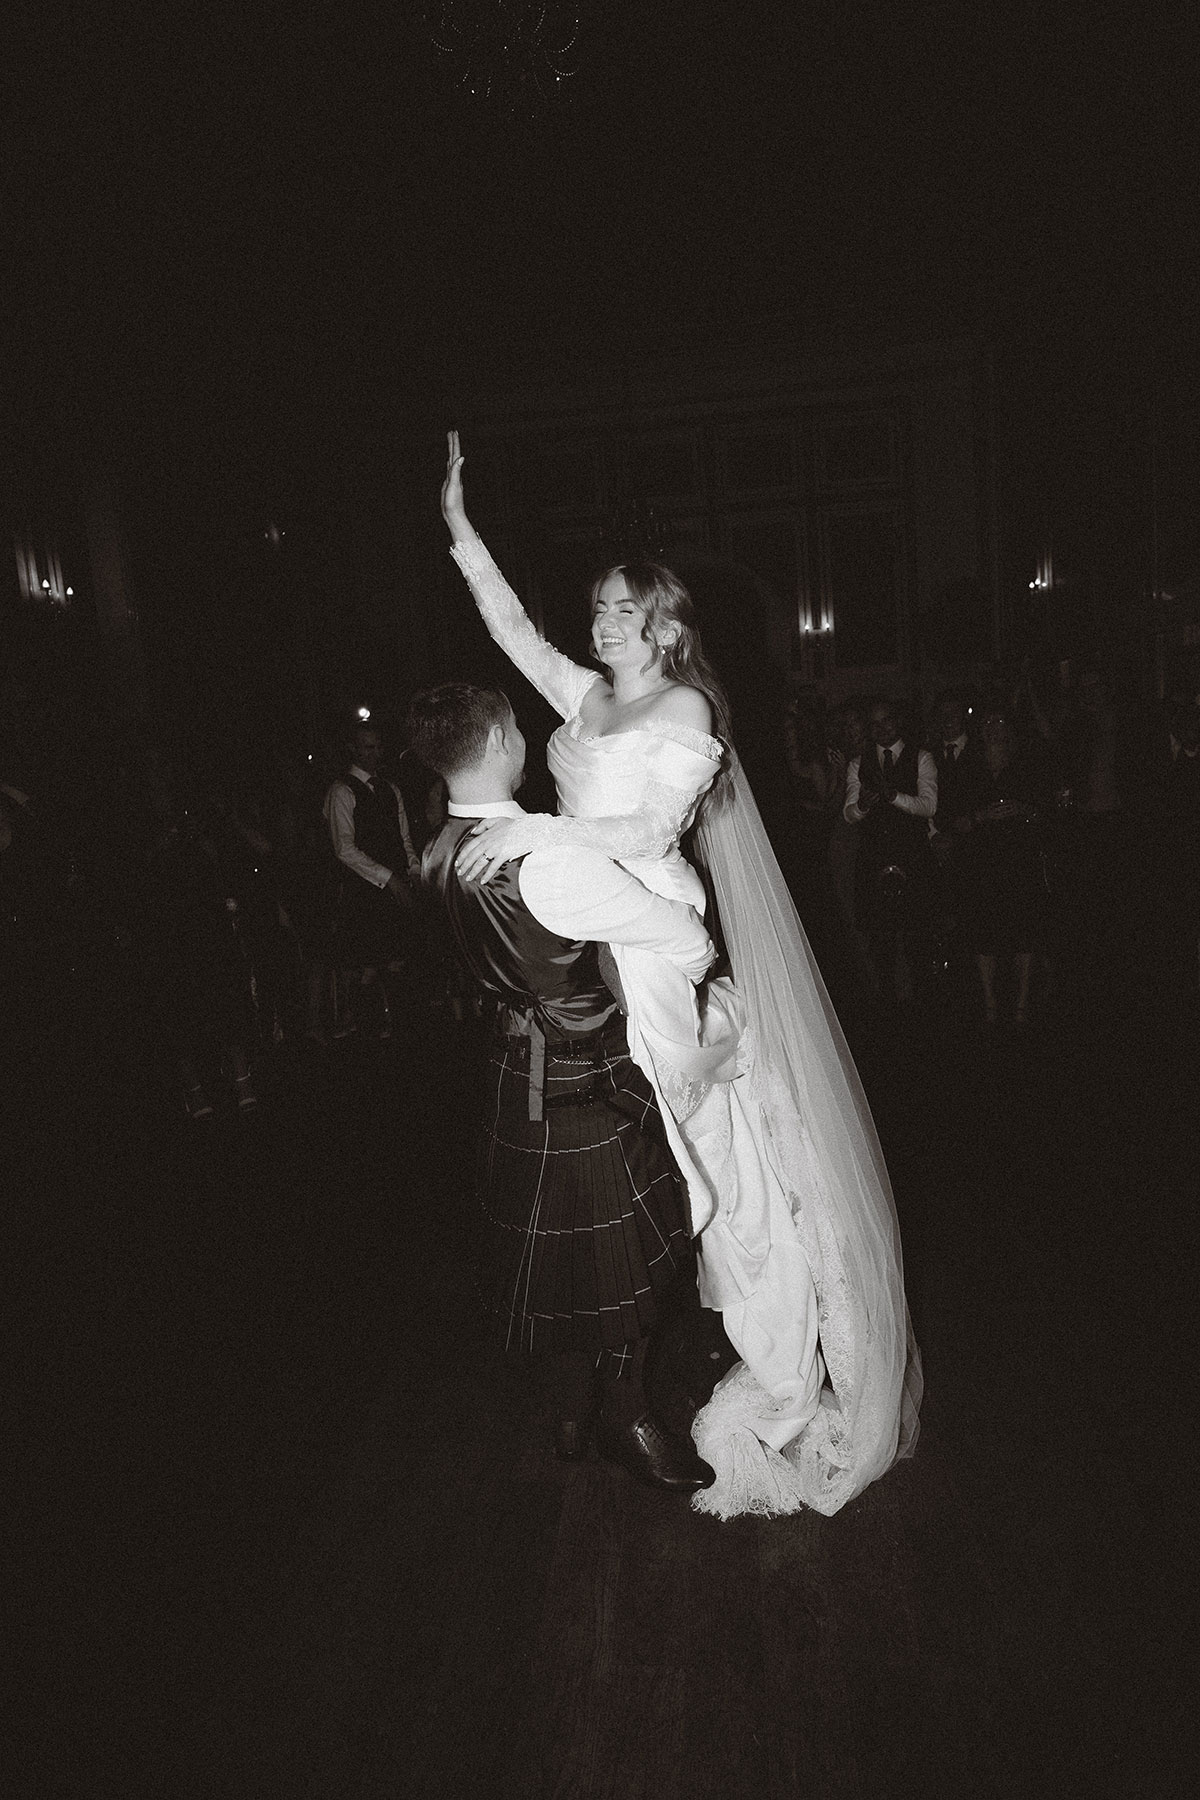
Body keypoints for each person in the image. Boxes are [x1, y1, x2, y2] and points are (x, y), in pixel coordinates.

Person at [438, 432, 921, 1518]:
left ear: (664, 625)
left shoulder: (685, 710)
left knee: (698, 1157)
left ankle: (770, 1358)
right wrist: (462, 530)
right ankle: (617, 1372)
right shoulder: (584, 698)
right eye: (597, 609)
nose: (601, 623)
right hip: (589, 927)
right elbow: (511, 630)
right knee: (646, 1157)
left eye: (622, 610)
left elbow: (652, 829)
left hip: (649, 933)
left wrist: (537, 833)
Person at [408, 681, 717, 1493]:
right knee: (629, 1256)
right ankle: (627, 1417)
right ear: (499, 742)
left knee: (561, 1260)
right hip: (582, 1073)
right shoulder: (548, 858)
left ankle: (573, 1412)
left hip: (510, 1071)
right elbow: (686, 940)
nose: (523, 737)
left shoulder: (436, 848)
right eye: (515, 726)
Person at [323, 720, 422, 1039]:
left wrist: (414, 870)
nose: (375, 753)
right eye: (368, 747)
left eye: (378, 747)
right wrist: (388, 878)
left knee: (397, 962)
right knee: (367, 966)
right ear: (353, 749)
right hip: (363, 892)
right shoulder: (341, 791)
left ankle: (400, 1030)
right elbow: (344, 849)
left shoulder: (390, 789)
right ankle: (367, 1033)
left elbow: (404, 839)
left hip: (394, 889)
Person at [843, 697, 938, 1007]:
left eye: (887, 721)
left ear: (898, 721)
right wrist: (863, 806)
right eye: (875, 724)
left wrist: (894, 796)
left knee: (916, 934)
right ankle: (887, 1005)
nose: (882, 729)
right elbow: (849, 814)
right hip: (875, 857)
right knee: (880, 937)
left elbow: (929, 806)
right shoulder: (858, 763)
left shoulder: (921, 757)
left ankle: (922, 1001)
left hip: (912, 855)